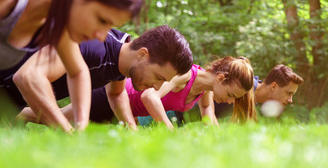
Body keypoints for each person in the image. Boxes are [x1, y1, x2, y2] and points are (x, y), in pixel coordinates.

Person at [0, 0, 143, 131]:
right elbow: (28, 77)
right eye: (102, 20)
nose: (101, 36)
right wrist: (65, 130)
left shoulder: (59, 23)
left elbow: (78, 72)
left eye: (110, 26)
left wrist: (80, 128)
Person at [16, 26, 193, 130]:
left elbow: (117, 94)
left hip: (12, 102)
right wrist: (68, 132)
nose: (157, 87)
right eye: (158, 77)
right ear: (142, 54)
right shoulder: (94, 46)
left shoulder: (121, 58)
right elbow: (30, 77)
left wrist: (131, 128)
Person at [76, 56, 256, 129]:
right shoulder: (186, 75)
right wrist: (170, 130)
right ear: (221, 78)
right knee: (53, 120)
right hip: (112, 99)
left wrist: (217, 140)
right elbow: (149, 96)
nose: (230, 102)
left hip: (122, 114)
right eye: (231, 95)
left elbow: (208, 113)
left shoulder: (206, 90)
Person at [214, 64, 304, 118]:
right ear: (273, 86)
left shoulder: (253, 100)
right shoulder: (242, 85)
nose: (290, 100)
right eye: (288, 93)